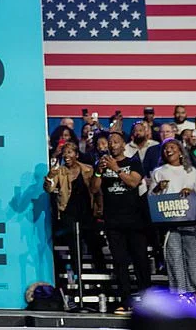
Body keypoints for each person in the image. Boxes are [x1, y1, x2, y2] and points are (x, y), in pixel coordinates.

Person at [90, 132, 151, 315]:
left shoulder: (133, 162)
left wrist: (116, 168)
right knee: (120, 263)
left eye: (116, 141)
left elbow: (133, 182)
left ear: (124, 144)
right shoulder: (101, 163)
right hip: (113, 222)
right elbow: (93, 188)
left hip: (134, 221)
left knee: (140, 261)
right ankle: (126, 301)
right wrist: (99, 170)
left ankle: (148, 302)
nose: (113, 144)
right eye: (110, 142)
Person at [43, 142, 105, 276]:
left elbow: (97, 190)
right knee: (74, 245)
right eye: (64, 153)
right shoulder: (59, 172)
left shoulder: (88, 169)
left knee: (93, 243)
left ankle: (101, 272)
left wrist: (99, 207)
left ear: (76, 155)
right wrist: (50, 176)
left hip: (87, 212)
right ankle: (78, 274)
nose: (66, 155)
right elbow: (49, 188)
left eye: (69, 152)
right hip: (68, 213)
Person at [149, 139, 196, 302]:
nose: (168, 150)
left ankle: (194, 292)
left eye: (172, 147)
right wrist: (157, 188)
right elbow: (151, 198)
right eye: (165, 148)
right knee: (174, 256)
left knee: (193, 257)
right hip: (169, 222)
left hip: (191, 221)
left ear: (180, 151)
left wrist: (190, 191)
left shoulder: (192, 172)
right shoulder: (158, 172)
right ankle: (180, 294)